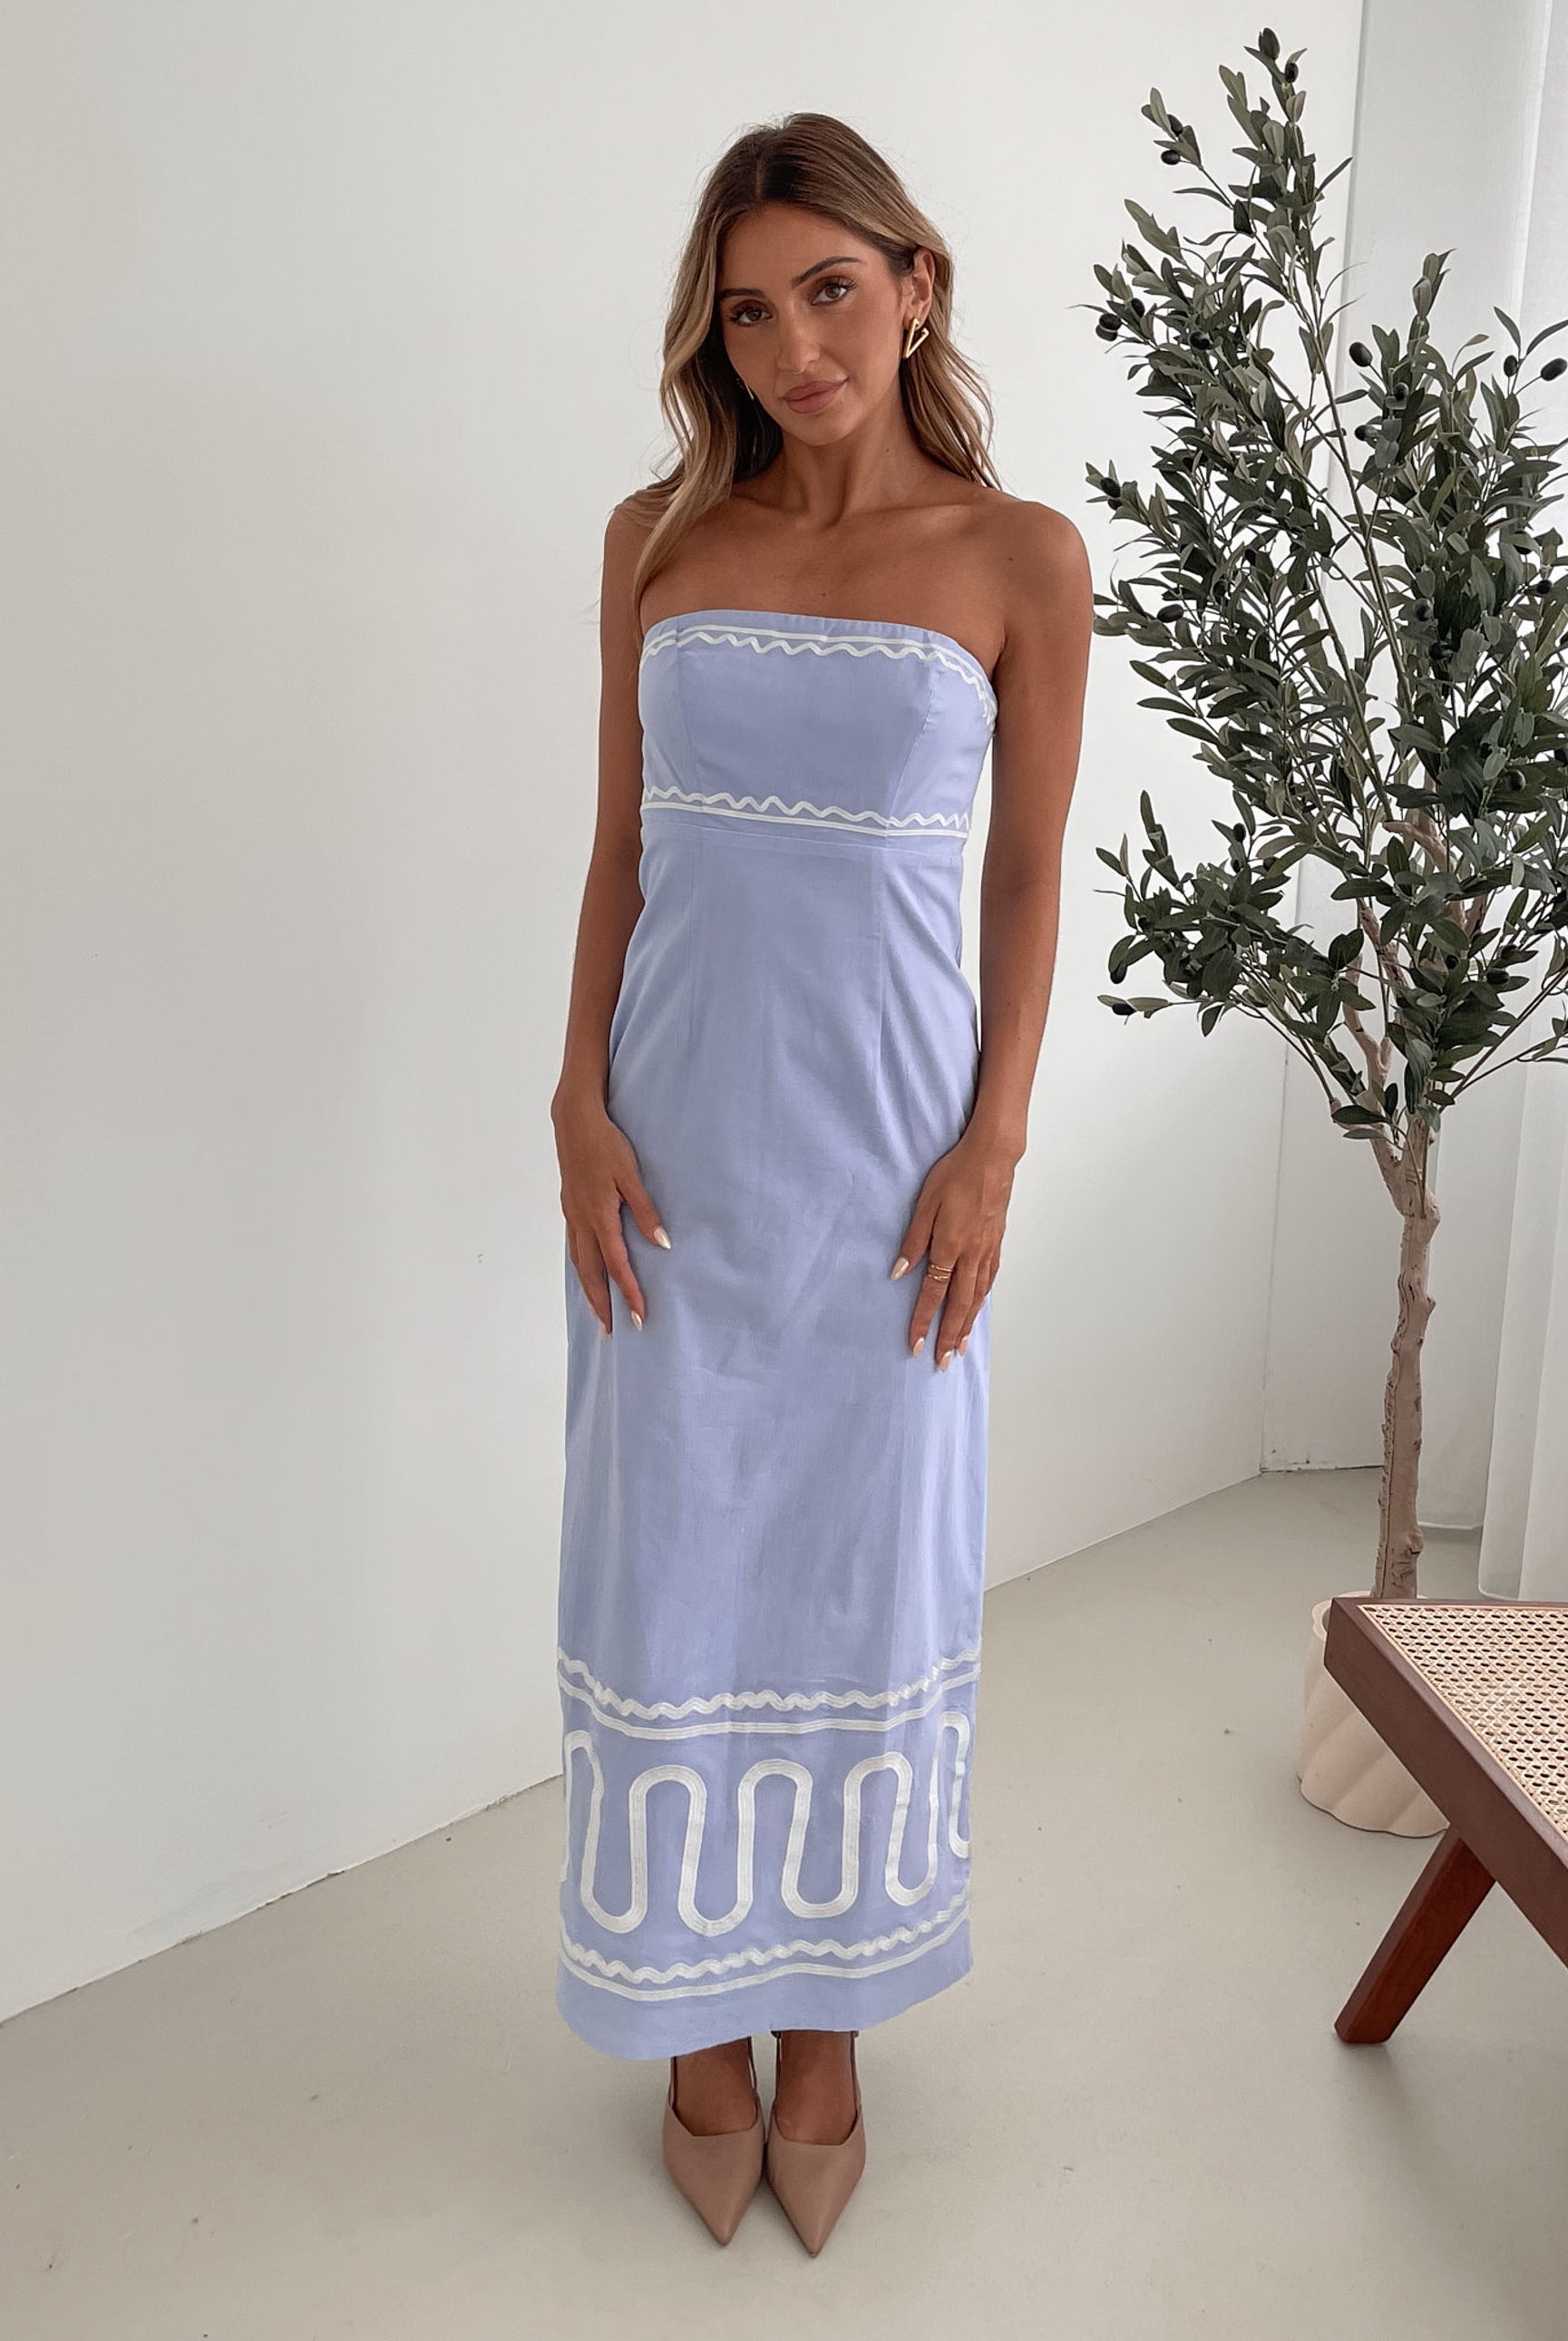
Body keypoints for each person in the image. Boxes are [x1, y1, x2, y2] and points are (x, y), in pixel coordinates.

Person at [550, 110, 1092, 2253]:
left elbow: (1033, 874)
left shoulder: (1015, 557)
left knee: (869, 1581)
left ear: (917, 283)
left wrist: (994, 1142)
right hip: (670, 1162)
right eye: (752, 309)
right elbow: (620, 851)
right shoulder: (655, 541)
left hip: (889, 1170)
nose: (792, 345)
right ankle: (695, 2029)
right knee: (665, 1565)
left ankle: (834, 2025)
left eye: (830, 291)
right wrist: (573, 1105)